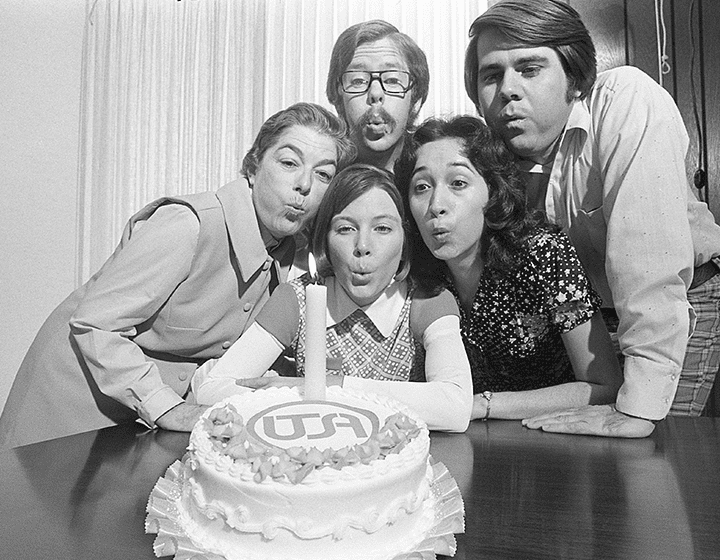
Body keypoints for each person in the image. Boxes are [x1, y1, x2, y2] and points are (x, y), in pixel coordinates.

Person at [0, 102, 356, 449]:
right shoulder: (187, 225)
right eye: (289, 163)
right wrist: (166, 406)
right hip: (69, 408)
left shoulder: (287, 250)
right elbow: (96, 324)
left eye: (323, 174)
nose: (305, 185)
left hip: (134, 425)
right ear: (253, 166)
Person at [464, 0, 720, 436]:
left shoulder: (625, 100)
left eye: (529, 68)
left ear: (576, 77)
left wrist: (640, 407)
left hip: (678, 304)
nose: (507, 89)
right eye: (491, 75)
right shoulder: (489, 157)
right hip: (583, 323)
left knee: (653, 454)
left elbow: (648, 260)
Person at [191, 163, 473, 432]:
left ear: (404, 239)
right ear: (325, 238)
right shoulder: (297, 298)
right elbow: (211, 389)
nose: (362, 246)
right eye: (345, 229)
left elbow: (456, 408)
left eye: (382, 228)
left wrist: (330, 387)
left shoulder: (428, 300)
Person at [394, 115, 621, 421]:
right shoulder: (418, 274)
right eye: (421, 187)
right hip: (467, 439)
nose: (436, 205)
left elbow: (604, 385)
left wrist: (484, 405)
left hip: (557, 436)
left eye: (458, 183)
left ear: (492, 192)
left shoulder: (544, 253)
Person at [325, 20, 430, 171]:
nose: (375, 93)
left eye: (392, 80)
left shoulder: (435, 181)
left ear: (416, 99)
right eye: (358, 81)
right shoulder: (320, 179)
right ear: (338, 97)